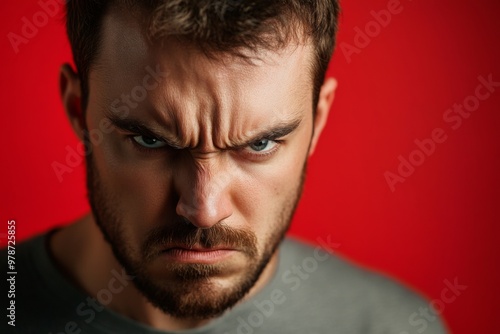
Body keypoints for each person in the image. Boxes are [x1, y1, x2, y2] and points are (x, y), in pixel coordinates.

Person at [2, 1, 447, 333]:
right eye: (150, 140)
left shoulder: (393, 325)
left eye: (260, 143)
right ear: (79, 110)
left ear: (318, 120)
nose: (204, 209)